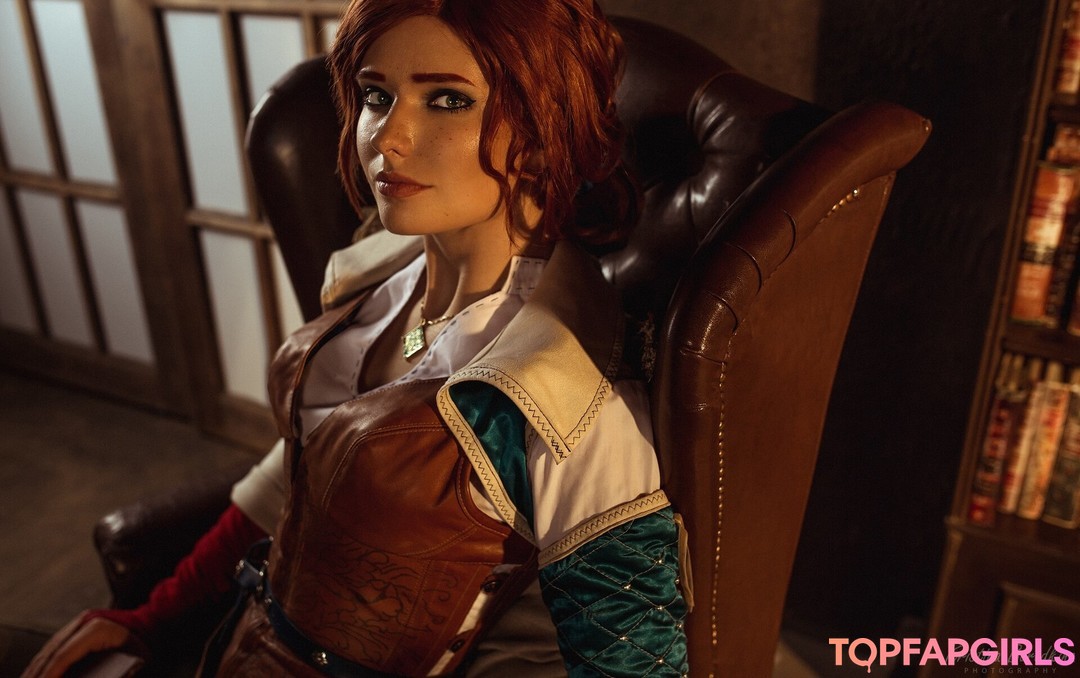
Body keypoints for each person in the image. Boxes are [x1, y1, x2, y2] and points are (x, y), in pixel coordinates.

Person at [24, 0, 690, 675]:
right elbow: (297, 480)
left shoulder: (571, 402)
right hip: (238, 642)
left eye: (448, 100)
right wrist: (146, 623)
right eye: (377, 95)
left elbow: (631, 660)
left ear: (545, 129)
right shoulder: (384, 274)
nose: (388, 136)